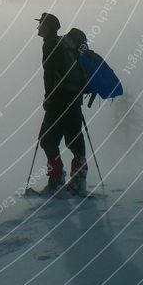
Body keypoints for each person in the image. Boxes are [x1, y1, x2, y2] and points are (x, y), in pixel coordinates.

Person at [35, 12, 88, 195]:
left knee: (47, 139)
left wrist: (48, 98)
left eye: (40, 24)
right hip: (73, 97)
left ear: (47, 27)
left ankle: (56, 179)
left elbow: (50, 74)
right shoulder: (66, 45)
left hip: (58, 100)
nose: (38, 27)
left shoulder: (50, 45)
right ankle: (79, 180)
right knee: (73, 137)